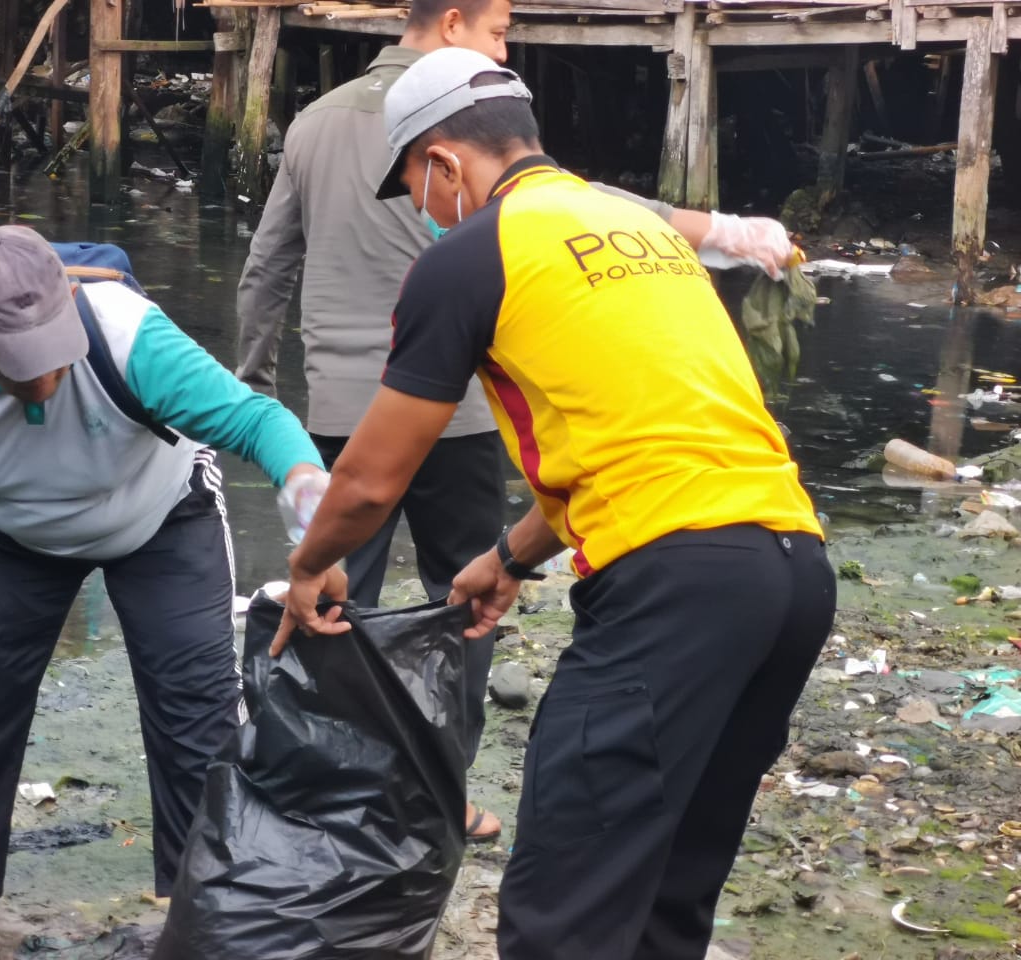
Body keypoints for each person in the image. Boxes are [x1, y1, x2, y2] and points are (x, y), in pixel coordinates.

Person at [272, 49, 836, 960]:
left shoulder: (468, 256)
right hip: (794, 570)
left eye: (414, 186)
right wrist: (507, 558)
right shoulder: (640, 230)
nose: (422, 209)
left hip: (674, 586)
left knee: (560, 909)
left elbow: (371, 480)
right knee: (669, 891)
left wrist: (307, 567)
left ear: (444, 164)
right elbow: (640, 439)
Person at [0, 226, 325, 960]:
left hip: (159, 513)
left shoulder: (130, 336)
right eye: (21, 362)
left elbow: (260, 422)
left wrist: (314, 527)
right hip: (9, 526)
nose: (45, 376)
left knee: (197, 708)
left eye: (53, 351)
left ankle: (210, 897)